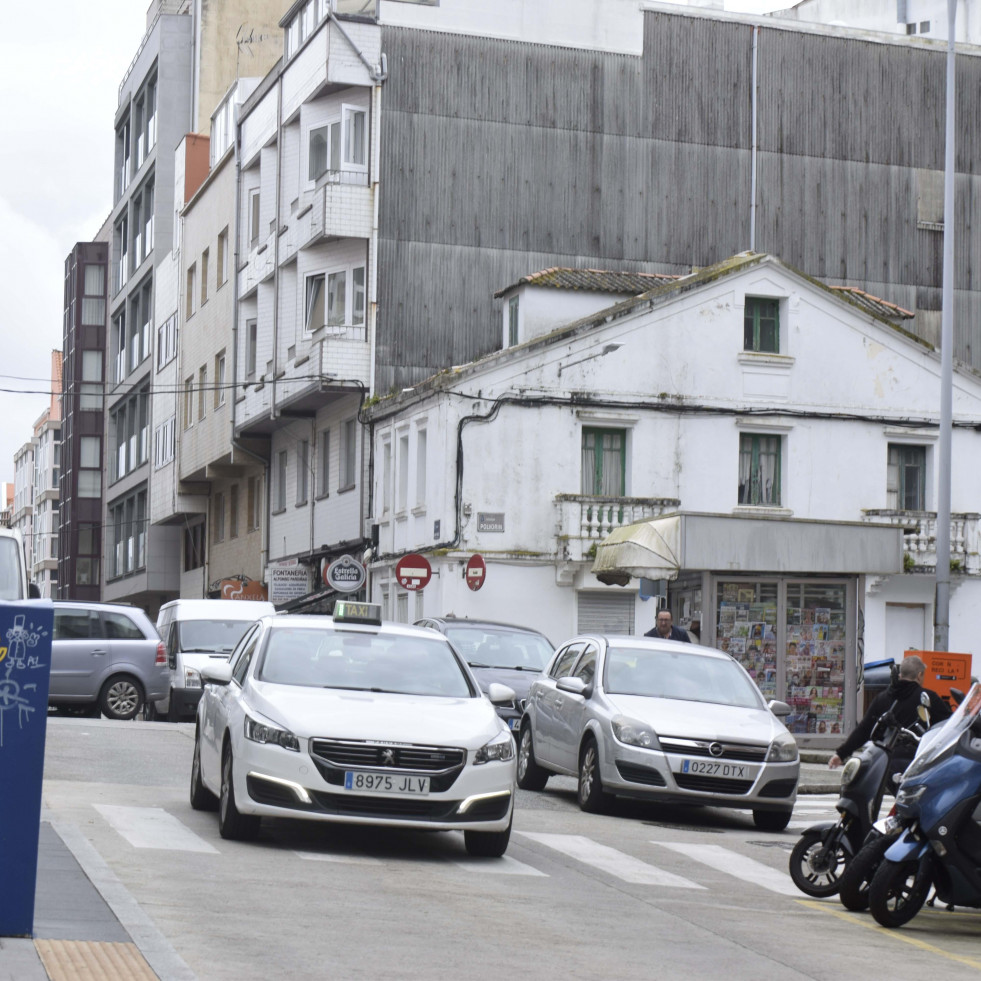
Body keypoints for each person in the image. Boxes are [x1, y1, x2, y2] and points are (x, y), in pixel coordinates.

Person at [828, 654, 951, 774]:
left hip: (884, 760)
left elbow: (864, 730)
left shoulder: (882, 698)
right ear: (919, 676)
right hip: (914, 761)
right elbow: (947, 725)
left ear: (900, 674)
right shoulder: (928, 698)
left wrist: (841, 754)